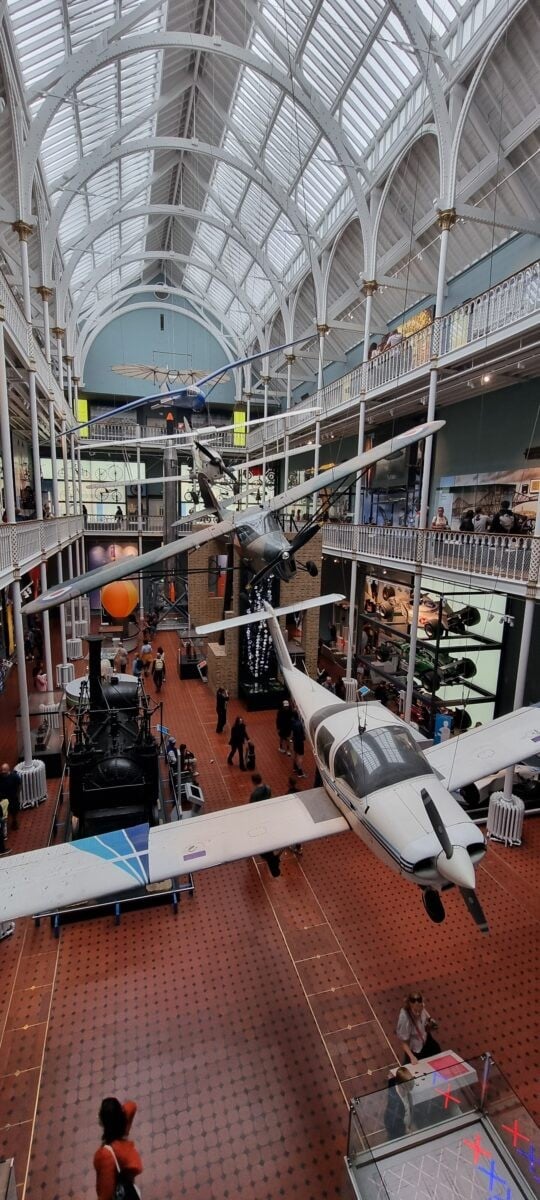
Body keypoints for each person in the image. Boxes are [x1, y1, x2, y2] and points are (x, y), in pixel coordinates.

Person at [93, 1096, 142, 1200]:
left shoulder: (105, 1155)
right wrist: (120, 1113)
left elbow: (105, 1196)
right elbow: (132, 1105)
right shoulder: (124, 1122)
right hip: (128, 1185)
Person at [250, 775, 281, 877]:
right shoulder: (268, 788)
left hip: (258, 816)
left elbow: (251, 807)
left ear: (254, 781)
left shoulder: (254, 794)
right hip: (267, 813)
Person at [396, 992, 440, 1065]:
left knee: (437, 1053)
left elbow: (424, 1011)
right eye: (415, 1011)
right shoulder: (405, 1019)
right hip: (416, 1049)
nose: (418, 1013)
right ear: (410, 1006)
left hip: (426, 1040)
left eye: (419, 1010)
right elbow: (403, 1042)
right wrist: (412, 1057)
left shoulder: (421, 1005)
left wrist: (430, 1019)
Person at [384, 1067, 414, 1139]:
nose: (407, 1091)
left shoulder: (394, 1084)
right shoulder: (396, 1105)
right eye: (406, 1089)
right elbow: (394, 1125)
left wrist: (390, 1078)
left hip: (402, 1123)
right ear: (400, 1084)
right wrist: (405, 1130)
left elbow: (392, 1081)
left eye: (409, 1089)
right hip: (398, 1132)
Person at [0, 763, 21, 832]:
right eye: (2, 772)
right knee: (4, 813)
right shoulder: (1, 777)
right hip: (4, 798)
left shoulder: (14, 777)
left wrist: (17, 795)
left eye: (4, 772)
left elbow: (19, 786)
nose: (3, 774)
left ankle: (14, 821)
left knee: (14, 811)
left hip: (12, 797)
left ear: (8, 770)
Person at [291, 713, 306, 778]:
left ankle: (294, 767)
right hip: (300, 741)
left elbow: (292, 733)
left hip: (295, 741)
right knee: (300, 756)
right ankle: (300, 772)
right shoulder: (300, 724)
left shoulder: (292, 723)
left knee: (295, 753)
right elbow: (303, 733)